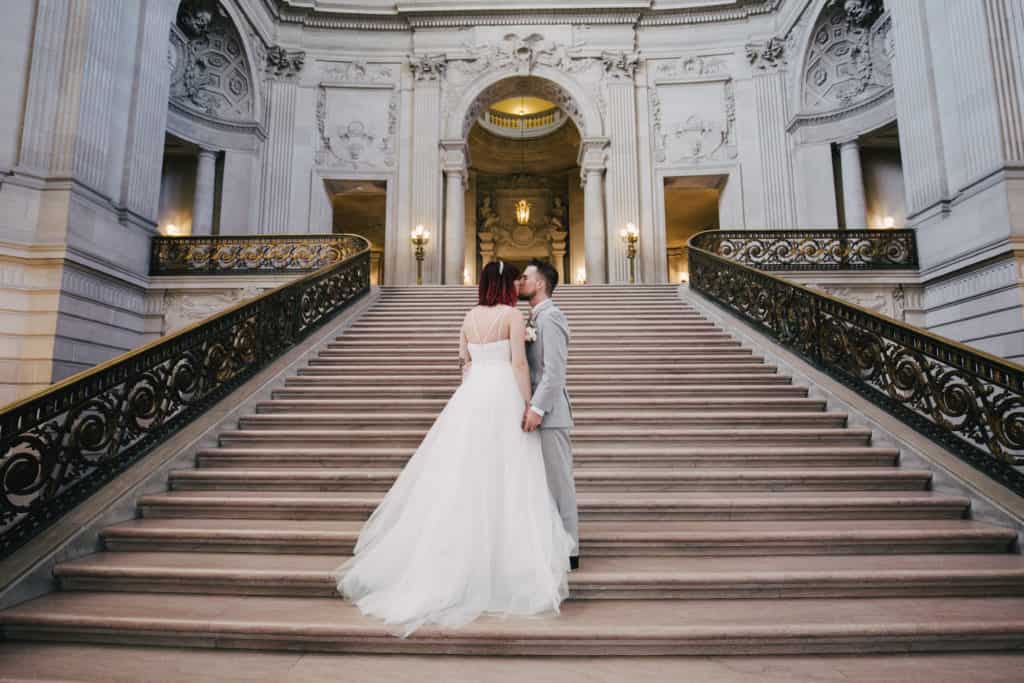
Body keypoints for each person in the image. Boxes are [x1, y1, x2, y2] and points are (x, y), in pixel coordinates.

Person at [334, 260, 574, 637]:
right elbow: (519, 366)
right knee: (509, 474)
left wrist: (469, 395)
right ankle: (507, 555)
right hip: (503, 397)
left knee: (463, 473)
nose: (518, 283)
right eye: (514, 280)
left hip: (473, 398)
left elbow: (463, 363)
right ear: (507, 287)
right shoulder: (513, 316)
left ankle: (455, 552)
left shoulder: (467, 317)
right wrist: (527, 404)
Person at [518, 259, 580, 570]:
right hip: (536, 412)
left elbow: (555, 372)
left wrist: (538, 408)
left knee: (559, 482)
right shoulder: (533, 317)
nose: (520, 281)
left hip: (551, 414)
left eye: (525, 277)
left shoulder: (552, 317)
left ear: (540, 283)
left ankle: (570, 549)